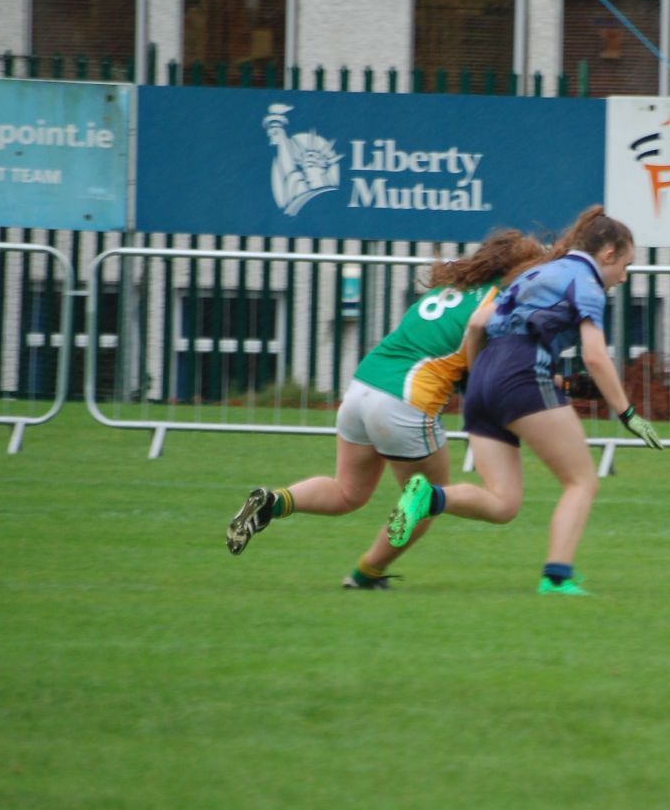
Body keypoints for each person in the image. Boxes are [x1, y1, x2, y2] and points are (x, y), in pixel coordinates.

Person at [224, 229, 547, 589]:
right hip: (406, 401)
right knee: (427, 499)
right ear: (517, 271)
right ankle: (366, 574)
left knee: (347, 491)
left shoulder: (449, 290)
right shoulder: (498, 302)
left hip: (362, 388)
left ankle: (274, 501)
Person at [383, 206, 664, 596]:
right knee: (581, 481)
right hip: (523, 373)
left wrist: (476, 377)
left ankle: (429, 496)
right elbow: (596, 356)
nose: (624, 276)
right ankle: (557, 576)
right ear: (608, 255)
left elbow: (478, 324)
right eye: (626, 265)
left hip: (483, 382)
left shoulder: (535, 272)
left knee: (503, 503)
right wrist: (628, 414)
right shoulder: (585, 282)